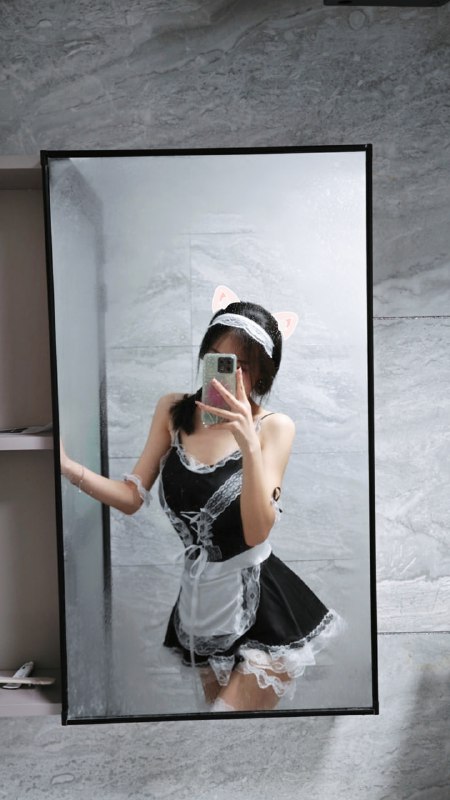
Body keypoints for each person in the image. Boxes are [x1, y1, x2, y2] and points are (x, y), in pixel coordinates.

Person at [61, 300, 343, 713]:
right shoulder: (173, 411)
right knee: (220, 739)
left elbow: (256, 531)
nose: (225, 372)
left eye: (241, 364)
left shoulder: (275, 427)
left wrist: (248, 442)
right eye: (217, 357)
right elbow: (132, 498)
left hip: (266, 605)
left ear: (262, 373)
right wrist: (68, 468)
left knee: (222, 719)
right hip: (201, 606)